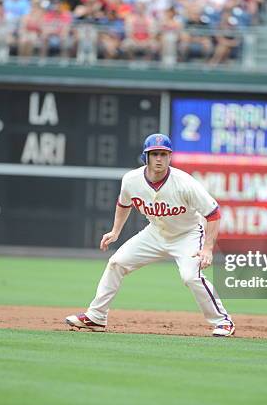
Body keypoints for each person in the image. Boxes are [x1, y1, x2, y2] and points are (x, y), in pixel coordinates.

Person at [66, 133, 235, 337]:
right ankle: (96, 317)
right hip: (155, 233)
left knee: (191, 277)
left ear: (170, 157)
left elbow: (213, 213)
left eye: (163, 154)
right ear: (145, 156)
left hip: (187, 235)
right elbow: (123, 203)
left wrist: (207, 248)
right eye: (154, 154)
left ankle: (223, 321)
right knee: (116, 262)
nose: (159, 159)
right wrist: (115, 231)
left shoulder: (184, 183)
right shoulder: (132, 179)